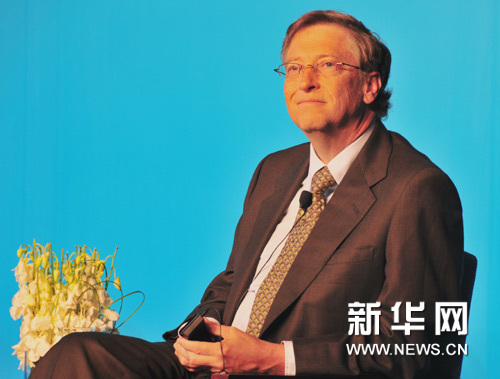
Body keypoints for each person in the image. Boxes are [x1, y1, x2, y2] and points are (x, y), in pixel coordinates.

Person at [30, 10, 464, 379]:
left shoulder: (417, 188)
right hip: (215, 365)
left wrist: (273, 360)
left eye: (328, 65)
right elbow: (234, 283)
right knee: (78, 355)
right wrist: (202, 333)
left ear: (371, 86)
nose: (305, 81)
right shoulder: (274, 170)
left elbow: (417, 344)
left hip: (294, 371)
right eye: (293, 68)